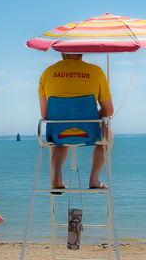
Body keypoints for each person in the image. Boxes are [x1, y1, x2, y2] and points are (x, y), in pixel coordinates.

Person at [38, 53, 114, 190]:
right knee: (108, 132)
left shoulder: (47, 73)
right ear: (82, 52)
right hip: (89, 133)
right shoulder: (96, 71)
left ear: (62, 53)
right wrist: (90, 118)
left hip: (58, 134)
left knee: (59, 129)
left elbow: (44, 114)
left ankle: (57, 176)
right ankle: (94, 179)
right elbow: (108, 111)